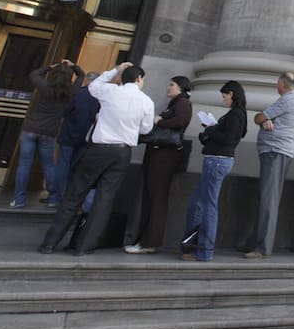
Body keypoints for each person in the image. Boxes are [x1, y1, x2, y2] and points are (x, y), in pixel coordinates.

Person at [38, 62, 154, 256]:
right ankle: (83, 247)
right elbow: (146, 129)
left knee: (74, 194)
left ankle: (49, 243)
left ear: (122, 77)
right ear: (139, 78)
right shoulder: (146, 101)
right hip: (122, 153)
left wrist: (115, 69)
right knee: (104, 200)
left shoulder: (110, 91)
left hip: (98, 148)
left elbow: (93, 86)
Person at [124, 75, 193, 254]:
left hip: (165, 156)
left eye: (172, 85)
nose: (169, 87)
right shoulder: (177, 102)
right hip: (160, 155)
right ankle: (145, 240)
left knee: (156, 197)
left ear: (180, 87)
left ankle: (149, 242)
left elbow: (181, 121)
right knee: (152, 196)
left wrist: (159, 121)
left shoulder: (182, 103)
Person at [182, 80, 246, 262]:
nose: (224, 99)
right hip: (217, 160)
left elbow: (230, 139)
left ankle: (204, 250)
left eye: (224, 96)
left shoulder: (235, 114)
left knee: (208, 206)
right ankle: (192, 244)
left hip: (217, 160)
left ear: (231, 94)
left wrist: (211, 130)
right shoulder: (238, 114)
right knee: (198, 203)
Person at [245, 71, 294, 259]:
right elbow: (263, 119)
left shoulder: (287, 100)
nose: (276, 85)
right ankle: (254, 242)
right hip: (277, 151)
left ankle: (262, 247)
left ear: (282, 84)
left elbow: (258, 117)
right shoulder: (292, 100)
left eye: (277, 82)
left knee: (269, 199)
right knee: (267, 197)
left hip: (275, 151)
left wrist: (264, 119)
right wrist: (266, 120)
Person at [11, 60, 82, 208]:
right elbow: (82, 76)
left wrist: (50, 67)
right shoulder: (70, 92)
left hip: (31, 128)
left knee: (24, 164)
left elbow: (34, 74)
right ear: (69, 77)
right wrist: (73, 66)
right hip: (49, 132)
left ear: (54, 74)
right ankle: (53, 197)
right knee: (48, 165)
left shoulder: (45, 87)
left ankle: (19, 199)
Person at [55, 70, 100, 216]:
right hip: (86, 138)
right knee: (76, 168)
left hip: (69, 134)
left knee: (63, 165)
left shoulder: (78, 93)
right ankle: (72, 197)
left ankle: (59, 196)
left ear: (87, 80)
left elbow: (65, 111)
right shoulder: (100, 97)